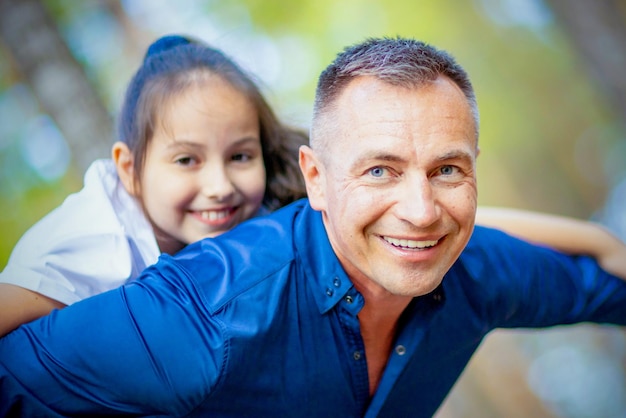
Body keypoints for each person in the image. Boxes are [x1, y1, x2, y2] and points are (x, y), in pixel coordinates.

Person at [1, 36, 625, 417]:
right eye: (380, 170)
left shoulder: (470, 263)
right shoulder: (201, 312)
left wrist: (600, 239)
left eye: (447, 169)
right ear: (317, 179)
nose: (421, 209)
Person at [0, 34, 307, 337]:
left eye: (240, 156)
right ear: (130, 170)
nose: (220, 186)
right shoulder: (95, 242)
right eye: (186, 160)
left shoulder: (268, 213)